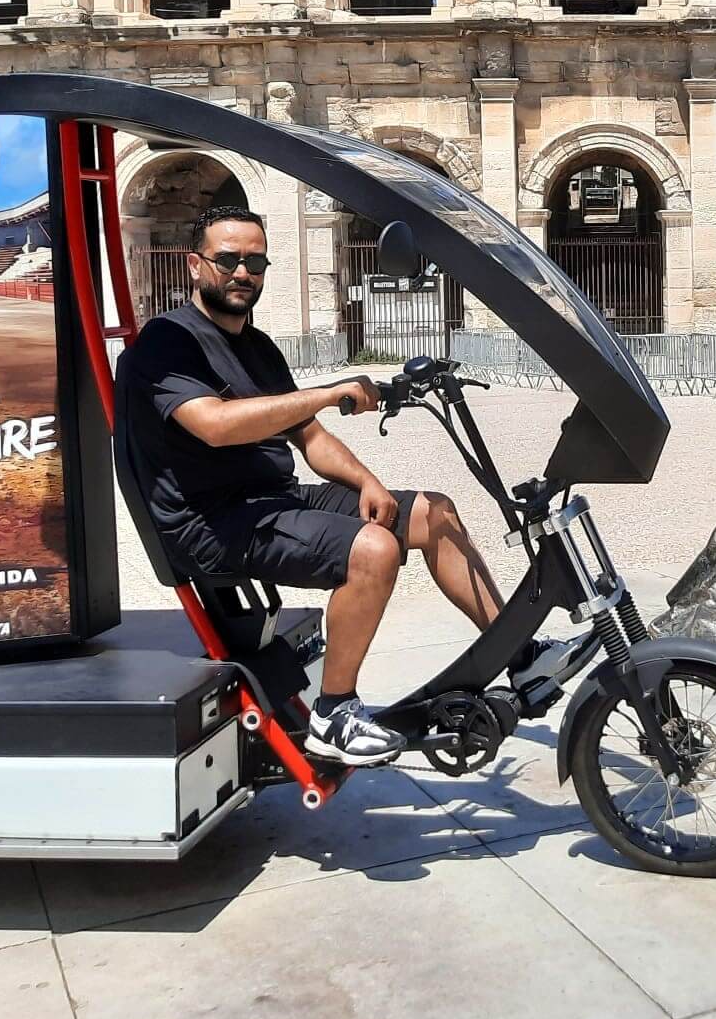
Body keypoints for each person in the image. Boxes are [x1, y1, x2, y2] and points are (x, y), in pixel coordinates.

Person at [120, 205, 593, 767]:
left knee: (431, 512)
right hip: (209, 520)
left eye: (255, 261)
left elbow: (312, 439)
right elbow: (215, 426)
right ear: (196, 265)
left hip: (270, 500)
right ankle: (334, 713)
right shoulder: (167, 343)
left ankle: (519, 654)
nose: (243, 272)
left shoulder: (258, 347)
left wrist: (369, 481)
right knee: (375, 549)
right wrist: (326, 391)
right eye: (228, 260)